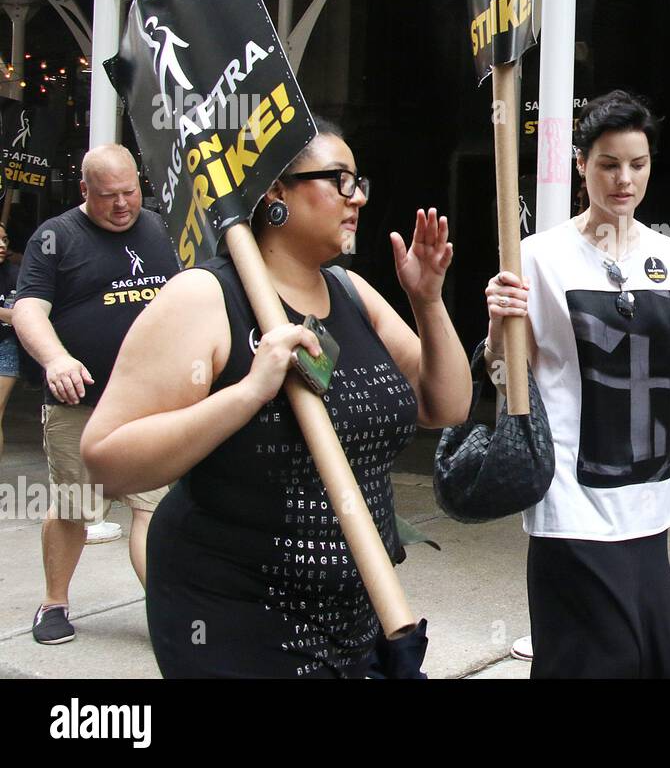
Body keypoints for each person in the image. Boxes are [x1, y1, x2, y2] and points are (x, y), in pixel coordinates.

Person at [81, 124, 472, 677]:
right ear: (276, 192)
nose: (356, 196)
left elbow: (447, 405)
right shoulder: (205, 297)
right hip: (237, 620)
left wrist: (427, 301)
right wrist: (248, 392)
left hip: (356, 616)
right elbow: (105, 462)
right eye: (337, 180)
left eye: (357, 181)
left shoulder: (350, 291)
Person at [485, 91, 670, 678]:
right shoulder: (536, 257)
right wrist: (497, 327)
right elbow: (505, 379)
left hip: (649, 507)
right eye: (608, 164)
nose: (624, 179)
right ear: (581, 165)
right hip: (570, 505)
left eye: (637, 164)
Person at [13, 145, 179, 645]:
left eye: (130, 191)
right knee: (72, 505)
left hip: (147, 403)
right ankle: (54, 603)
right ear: (85, 190)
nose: (124, 204)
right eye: (109, 196)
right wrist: (56, 359)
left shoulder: (159, 227)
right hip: (78, 404)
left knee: (152, 508)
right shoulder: (55, 237)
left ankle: (165, 612)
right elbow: (27, 310)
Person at [0, 221, 22, 463]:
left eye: (4, 240)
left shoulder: (14, 274)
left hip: (4, 345)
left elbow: (18, 315)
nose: (2, 245)